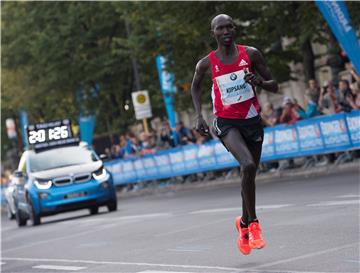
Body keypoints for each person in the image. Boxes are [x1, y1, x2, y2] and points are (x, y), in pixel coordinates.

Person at [190, 14, 278, 255]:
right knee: (247, 165)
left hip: (251, 121)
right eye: (221, 28)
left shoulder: (251, 54)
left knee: (248, 176)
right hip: (226, 122)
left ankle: (242, 224)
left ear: (234, 29)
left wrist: (259, 81)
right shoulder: (206, 63)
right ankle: (254, 224)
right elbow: (195, 87)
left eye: (229, 26)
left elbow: (274, 85)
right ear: (214, 33)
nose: (226, 30)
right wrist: (199, 115)